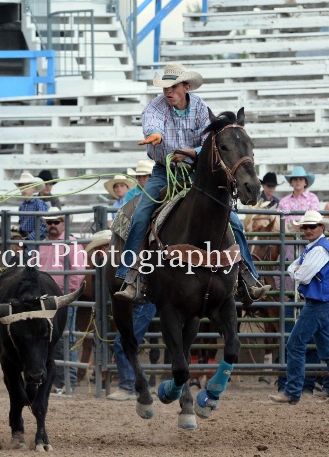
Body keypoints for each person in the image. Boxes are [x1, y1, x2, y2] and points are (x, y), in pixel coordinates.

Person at [114, 64, 268, 304]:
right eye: (165, 87)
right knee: (142, 214)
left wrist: (190, 152)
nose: (168, 91)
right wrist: (155, 135)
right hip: (164, 172)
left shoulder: (199, 108)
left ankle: (248, 276)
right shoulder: (155, 107)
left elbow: (211, 143)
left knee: (234, 221)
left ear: (186, 87)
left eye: (173, 86)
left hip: (197, 173)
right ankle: (130, 274)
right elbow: (152, 123)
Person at [269, 211, 329, 405]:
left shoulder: (318, 250)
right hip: (321, 303)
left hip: (317, 304)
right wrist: (298, 271)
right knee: (326, 349)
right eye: (305, 227)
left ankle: (293, 391)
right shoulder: (315, 248)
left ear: (321, 227)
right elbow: (294, 269)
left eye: (311, 226)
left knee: (295, 344)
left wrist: (297, 271)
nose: (308, 230)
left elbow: (300, 275)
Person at [37, 208, 86, 392]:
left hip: (61, 299)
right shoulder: (41, 244)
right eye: (49, 222)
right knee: (50, 339)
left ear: (63, 223)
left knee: (66, 338)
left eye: (56, 222)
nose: (52, 225)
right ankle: (56, 382)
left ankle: (68, 381)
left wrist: (66, 293)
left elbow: (78, 273)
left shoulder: (72, 243)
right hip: (44, 299)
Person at [14, 172, 48, 240]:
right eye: (21, 187)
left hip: (37, 238)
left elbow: (43, 225)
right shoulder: (22, 206)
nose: (23, 189)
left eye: (27, 186)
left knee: (28, 250)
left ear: (34, 188)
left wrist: (29, 238)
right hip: (25, 236)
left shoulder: (39, 204)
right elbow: (22, 224)